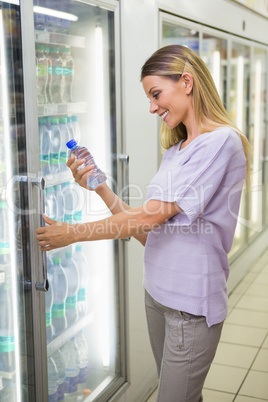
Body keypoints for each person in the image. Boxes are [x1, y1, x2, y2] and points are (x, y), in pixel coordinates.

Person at [36, 44, 251, 401]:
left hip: (189, 305)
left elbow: (149, 216)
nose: (152, 107)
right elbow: (149, 231)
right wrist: (99, 186)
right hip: (158, 294)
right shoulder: (176, 151)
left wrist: (71, 233)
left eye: (155, 94)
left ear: (186, 82)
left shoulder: (221, 142)